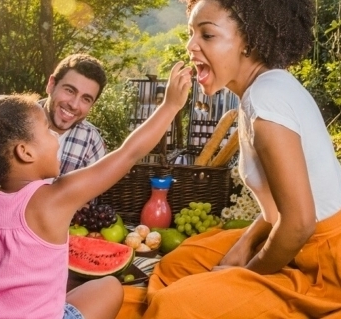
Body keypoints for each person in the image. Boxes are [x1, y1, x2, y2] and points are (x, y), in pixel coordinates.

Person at [116, 0, 341, 318]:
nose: (191, 45)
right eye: (190, 33)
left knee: (176, 304)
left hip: (324, 265)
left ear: (248, 40)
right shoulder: (259, 93)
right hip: (297, 240)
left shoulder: (268, 98)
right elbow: (276, 211)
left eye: (207, 35)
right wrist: (242, 247)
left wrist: (244, 274)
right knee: (179, 262)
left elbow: (299, 223)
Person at [0, 61, 192, 319]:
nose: (55, 138)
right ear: (25, 152)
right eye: (46, 131)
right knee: (110, 288)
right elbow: (129, 153)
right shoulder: (55, 198)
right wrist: (170, 106)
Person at [0, 53, 108, 217]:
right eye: (70, 90)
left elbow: (83, 207)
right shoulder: (11, 111)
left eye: (86, 99)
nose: (74, 105)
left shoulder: (91, 143)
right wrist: (12, 203)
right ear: (51, 84)